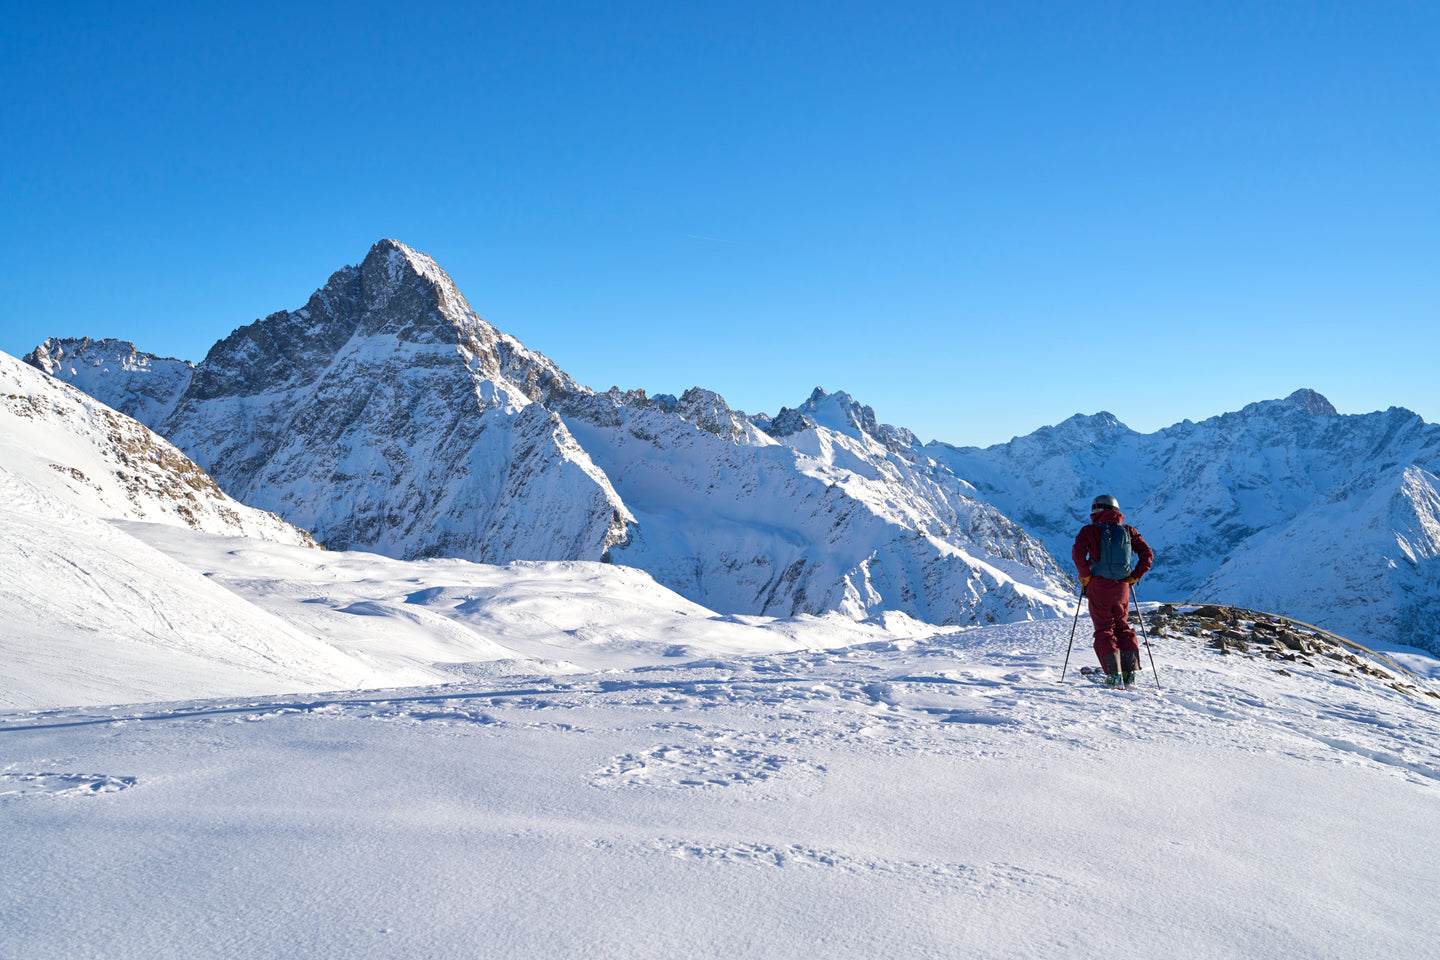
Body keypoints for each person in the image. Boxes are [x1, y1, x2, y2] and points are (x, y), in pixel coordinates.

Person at [1072, 494, 1154, 686]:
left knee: (1104, 629)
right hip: (1123, 587)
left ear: (1095, 511)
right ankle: (1129, 672)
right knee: (1122, 627)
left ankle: (1114, 675)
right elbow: (1147, 554)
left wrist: (1085, 574)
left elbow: (1078, 553)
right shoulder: (1128, 531)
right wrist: (1135, 576)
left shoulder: (1089, 530)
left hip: (1099, 586)